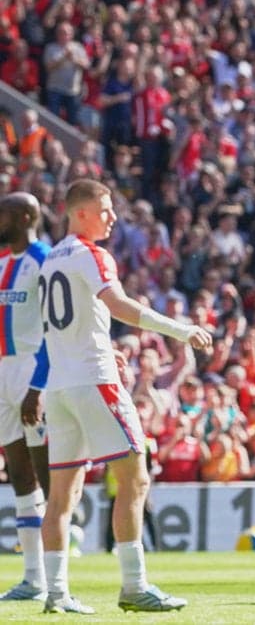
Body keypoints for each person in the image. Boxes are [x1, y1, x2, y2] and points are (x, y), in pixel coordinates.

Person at [37, 179, 213, 614]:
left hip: (59, 386)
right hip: (95, 381)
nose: (113, 217)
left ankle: (55, 593)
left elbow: (68, 322)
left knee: (60, 496)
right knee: (135, 478)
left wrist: (103, 343)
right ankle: (135, 586)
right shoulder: (91, 254)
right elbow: (119, 305)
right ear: (80, 213)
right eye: (105, 209)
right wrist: (181, 330)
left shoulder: (50, 259)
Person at [0, 193, 51, 602]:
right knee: (19, 474)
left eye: (3, 213)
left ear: (25, 216)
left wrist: (38, 386)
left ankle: (59, 579)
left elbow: (54, 328)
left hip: (33, 371)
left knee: (47, 475)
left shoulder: (44, 260)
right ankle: (33, 578)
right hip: (3, 373)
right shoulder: (2, 262)